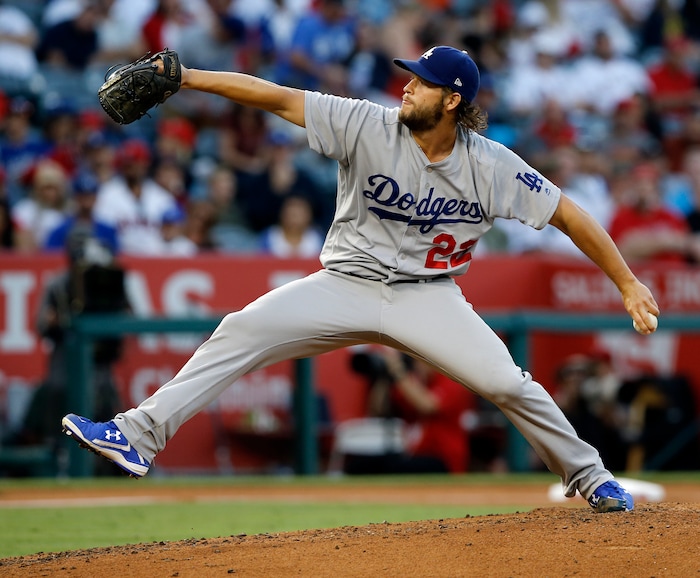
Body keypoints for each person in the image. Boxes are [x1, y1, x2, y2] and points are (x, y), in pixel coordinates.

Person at [62, 45, 661, 513]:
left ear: (452, 101)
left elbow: (569, 214)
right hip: (343, 284)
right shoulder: (368, 123)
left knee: (508, 384)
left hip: (429, 297)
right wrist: (188, 77)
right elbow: (276, 98)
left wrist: (627, 283)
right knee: (240, 329)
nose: (406, 85)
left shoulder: (492, 165)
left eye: (420, 81)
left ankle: (591, 476)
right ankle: (136, 436)